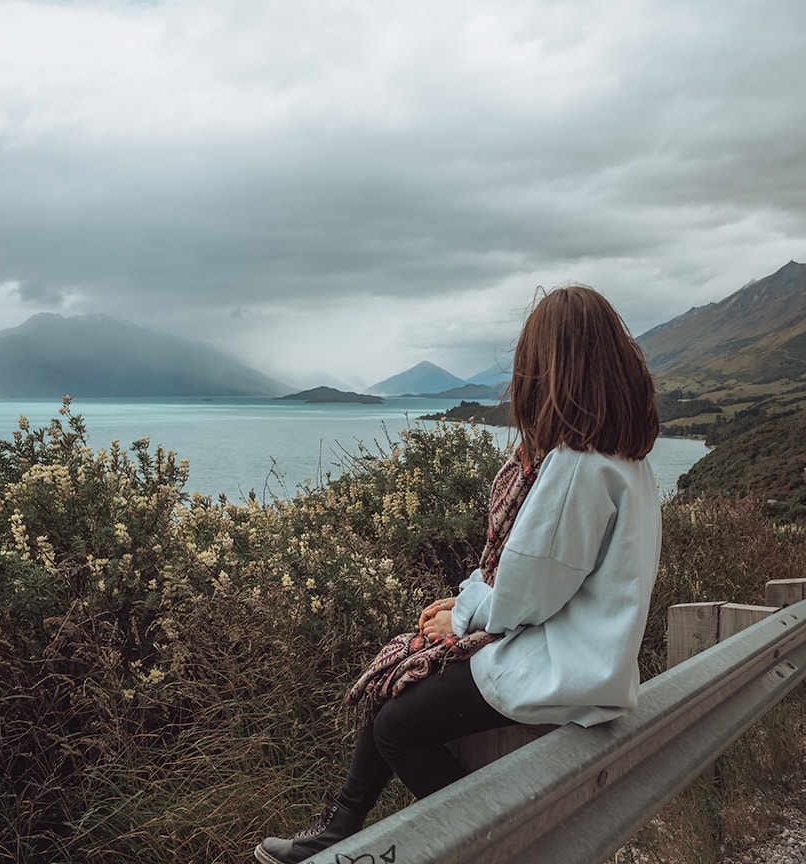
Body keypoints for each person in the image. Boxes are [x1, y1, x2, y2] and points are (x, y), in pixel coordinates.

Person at [254, 284, 662, 864]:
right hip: (590, 660)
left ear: (552, 370)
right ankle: (343, 827)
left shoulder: (575, 466)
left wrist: (461, 613)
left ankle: (498, 842)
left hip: (557, 666)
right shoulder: (629, 463)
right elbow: (538, 574)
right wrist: (464, 605)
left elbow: (526, 593)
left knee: (396, 720)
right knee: (400, 676)